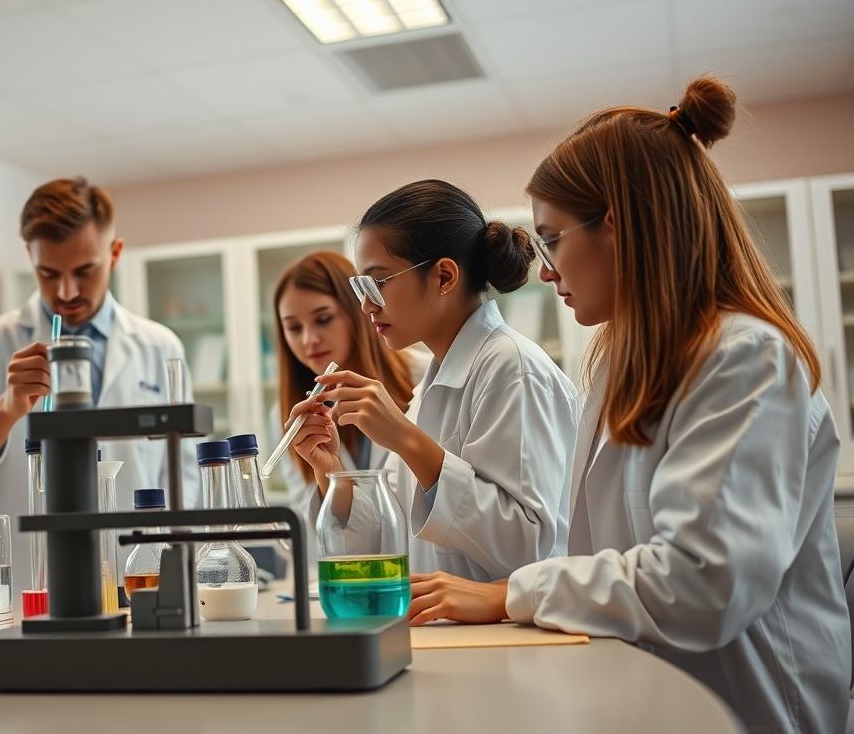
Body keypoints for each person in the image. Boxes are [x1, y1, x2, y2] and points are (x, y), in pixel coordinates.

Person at [406, 77, 851, 732]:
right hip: (647, 693)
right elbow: (605, 558)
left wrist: (511, 594)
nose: (546, 269)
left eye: (553, 239)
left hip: (750, 710)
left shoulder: (745, 360)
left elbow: (704, 586)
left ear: (618, 224)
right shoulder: (618, 360)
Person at [289, 179, 578, 580]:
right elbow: (385, 545)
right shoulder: (432, 386)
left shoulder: (511, 368)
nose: (368, 305)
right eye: (361, 287)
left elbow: (526, 549)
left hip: (510, 637)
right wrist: (332, 471)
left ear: (444, 277)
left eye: (379, 282)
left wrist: (404, 438)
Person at [0, 177, 197, 597]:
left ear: (115, 253)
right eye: (48, 273)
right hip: (27, 589)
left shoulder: (160, 347)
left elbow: (186, 480)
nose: (66, 292)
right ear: (30, 257)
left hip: (140, 582)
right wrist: (7, 409)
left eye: (85, 271)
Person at [270, 250, 424, 560]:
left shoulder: (424, 378)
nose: (309, 340)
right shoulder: (289, 414)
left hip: (427, 579)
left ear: (359, 311)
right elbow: (320, 540)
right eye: (294, 327)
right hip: (353, 582)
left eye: (323, 319)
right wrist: (330, 475)